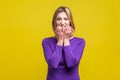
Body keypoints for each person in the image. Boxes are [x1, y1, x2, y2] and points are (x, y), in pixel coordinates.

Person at [42, 6, 85, 80]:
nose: (62, 23)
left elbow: (71, 63)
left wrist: (66, 39)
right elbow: (53, 63)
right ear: (54, 22)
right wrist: (60, 40)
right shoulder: (46, 42)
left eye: (66, 19)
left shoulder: (80, 42)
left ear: (70, 22)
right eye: (59, 19)